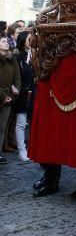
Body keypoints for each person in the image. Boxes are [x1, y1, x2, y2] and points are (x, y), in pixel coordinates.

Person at [0, 37, 21, 165]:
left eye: (7, 42)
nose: (6, 43)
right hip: (3, 97)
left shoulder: (12, 60)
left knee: (2, 129)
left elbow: (17, 79)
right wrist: (2, 96)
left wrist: (14, 93)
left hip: (8, 100)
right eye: (2, 41)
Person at [14, 31, 34, 162]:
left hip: (34, 92)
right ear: (23, 41)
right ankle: (22, 151)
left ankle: (32, 149)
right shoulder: (18, 57)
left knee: (33, 122)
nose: (32, 40)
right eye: (29, 38)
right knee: (21, 124)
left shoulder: (35, 54)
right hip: (22, 93)